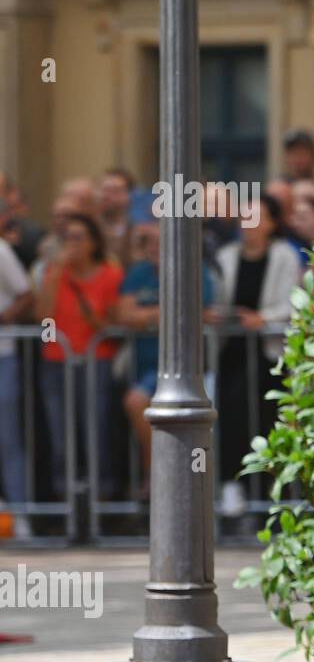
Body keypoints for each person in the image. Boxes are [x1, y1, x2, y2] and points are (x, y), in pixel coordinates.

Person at [209, 194, 303, 517]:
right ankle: (232, 487)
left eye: (257, 217)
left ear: (272, 223)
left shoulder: (284, 257)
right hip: (231, 353)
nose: (249, 225)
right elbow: (217, 298)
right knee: (232, 418)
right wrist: (221, 316)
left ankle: (267, 495)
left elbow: (293, 302)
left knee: (267, 418)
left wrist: (262, 319)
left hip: (268, 352)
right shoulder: (225, 256)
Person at [118, 217, 218, 501]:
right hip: (149, 368)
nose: (153, 247)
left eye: (159, 242)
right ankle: (158, 474)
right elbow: (123, 315)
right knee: (137, 403)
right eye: (148, 242)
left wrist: (147, 314)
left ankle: (181, 485)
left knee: (196, 427)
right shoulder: (139, 273)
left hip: (189, 368)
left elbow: (199, 313)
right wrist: (166, 313)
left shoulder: (196, 271)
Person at [34, 212, 125, 501]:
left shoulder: (110, 275)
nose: (72, 244)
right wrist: (57, 272)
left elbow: (113, 323)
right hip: (56, 360)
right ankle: (67, 501)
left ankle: (102, 499)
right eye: (67, 238)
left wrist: (96, 322)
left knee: (95, 430)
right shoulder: (54, 273)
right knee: (61, 434)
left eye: (78, 238)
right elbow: (43, 317)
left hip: (95, 359)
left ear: (93, 243)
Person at [0, 232, 34, 537]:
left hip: (3, 357)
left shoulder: (1, 251)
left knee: (8, 439)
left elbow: (25, 293)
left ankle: (21, 515)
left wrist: (4, 316)